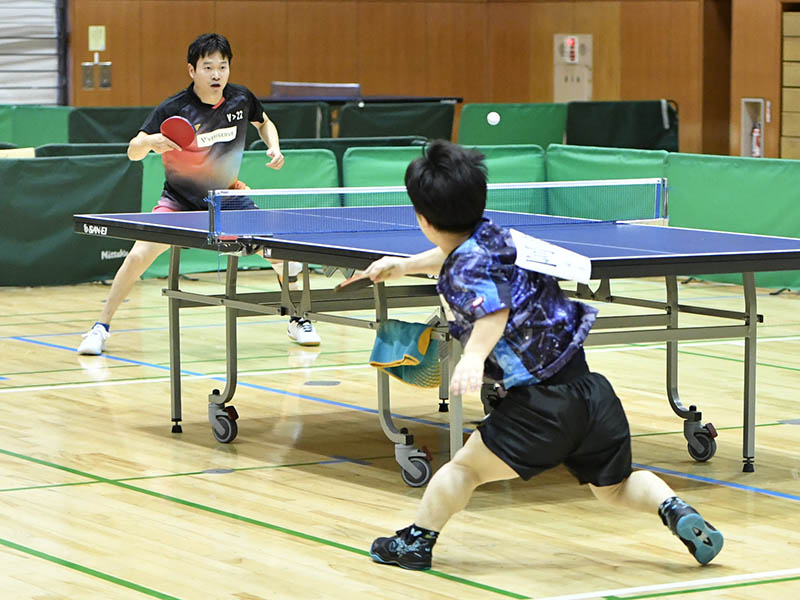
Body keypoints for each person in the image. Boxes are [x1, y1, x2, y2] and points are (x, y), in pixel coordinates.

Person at [362, 140, 723, 571]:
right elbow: (461, 255)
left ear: (422, 218)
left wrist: (473, 357)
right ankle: (674, 509)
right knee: (615, 486)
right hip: (590, 392)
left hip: (540, 407)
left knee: (465, 470)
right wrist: (404, 266)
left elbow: (492, 310)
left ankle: (416, 544)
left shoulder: (462, 274)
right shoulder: (496, 235)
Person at [77, 33, 320, 355]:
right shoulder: (174, 108)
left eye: (222, 66)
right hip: (179, 202)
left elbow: (264, 123)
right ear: (192, 70)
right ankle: (100, 327)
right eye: (208, 67)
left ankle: (297, 318)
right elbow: (133, 152)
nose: (216, 74)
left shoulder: (241, 99)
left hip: (228, 199)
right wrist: (150, 142)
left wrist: (273, 146)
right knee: (137, 256)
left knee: (283, 254)